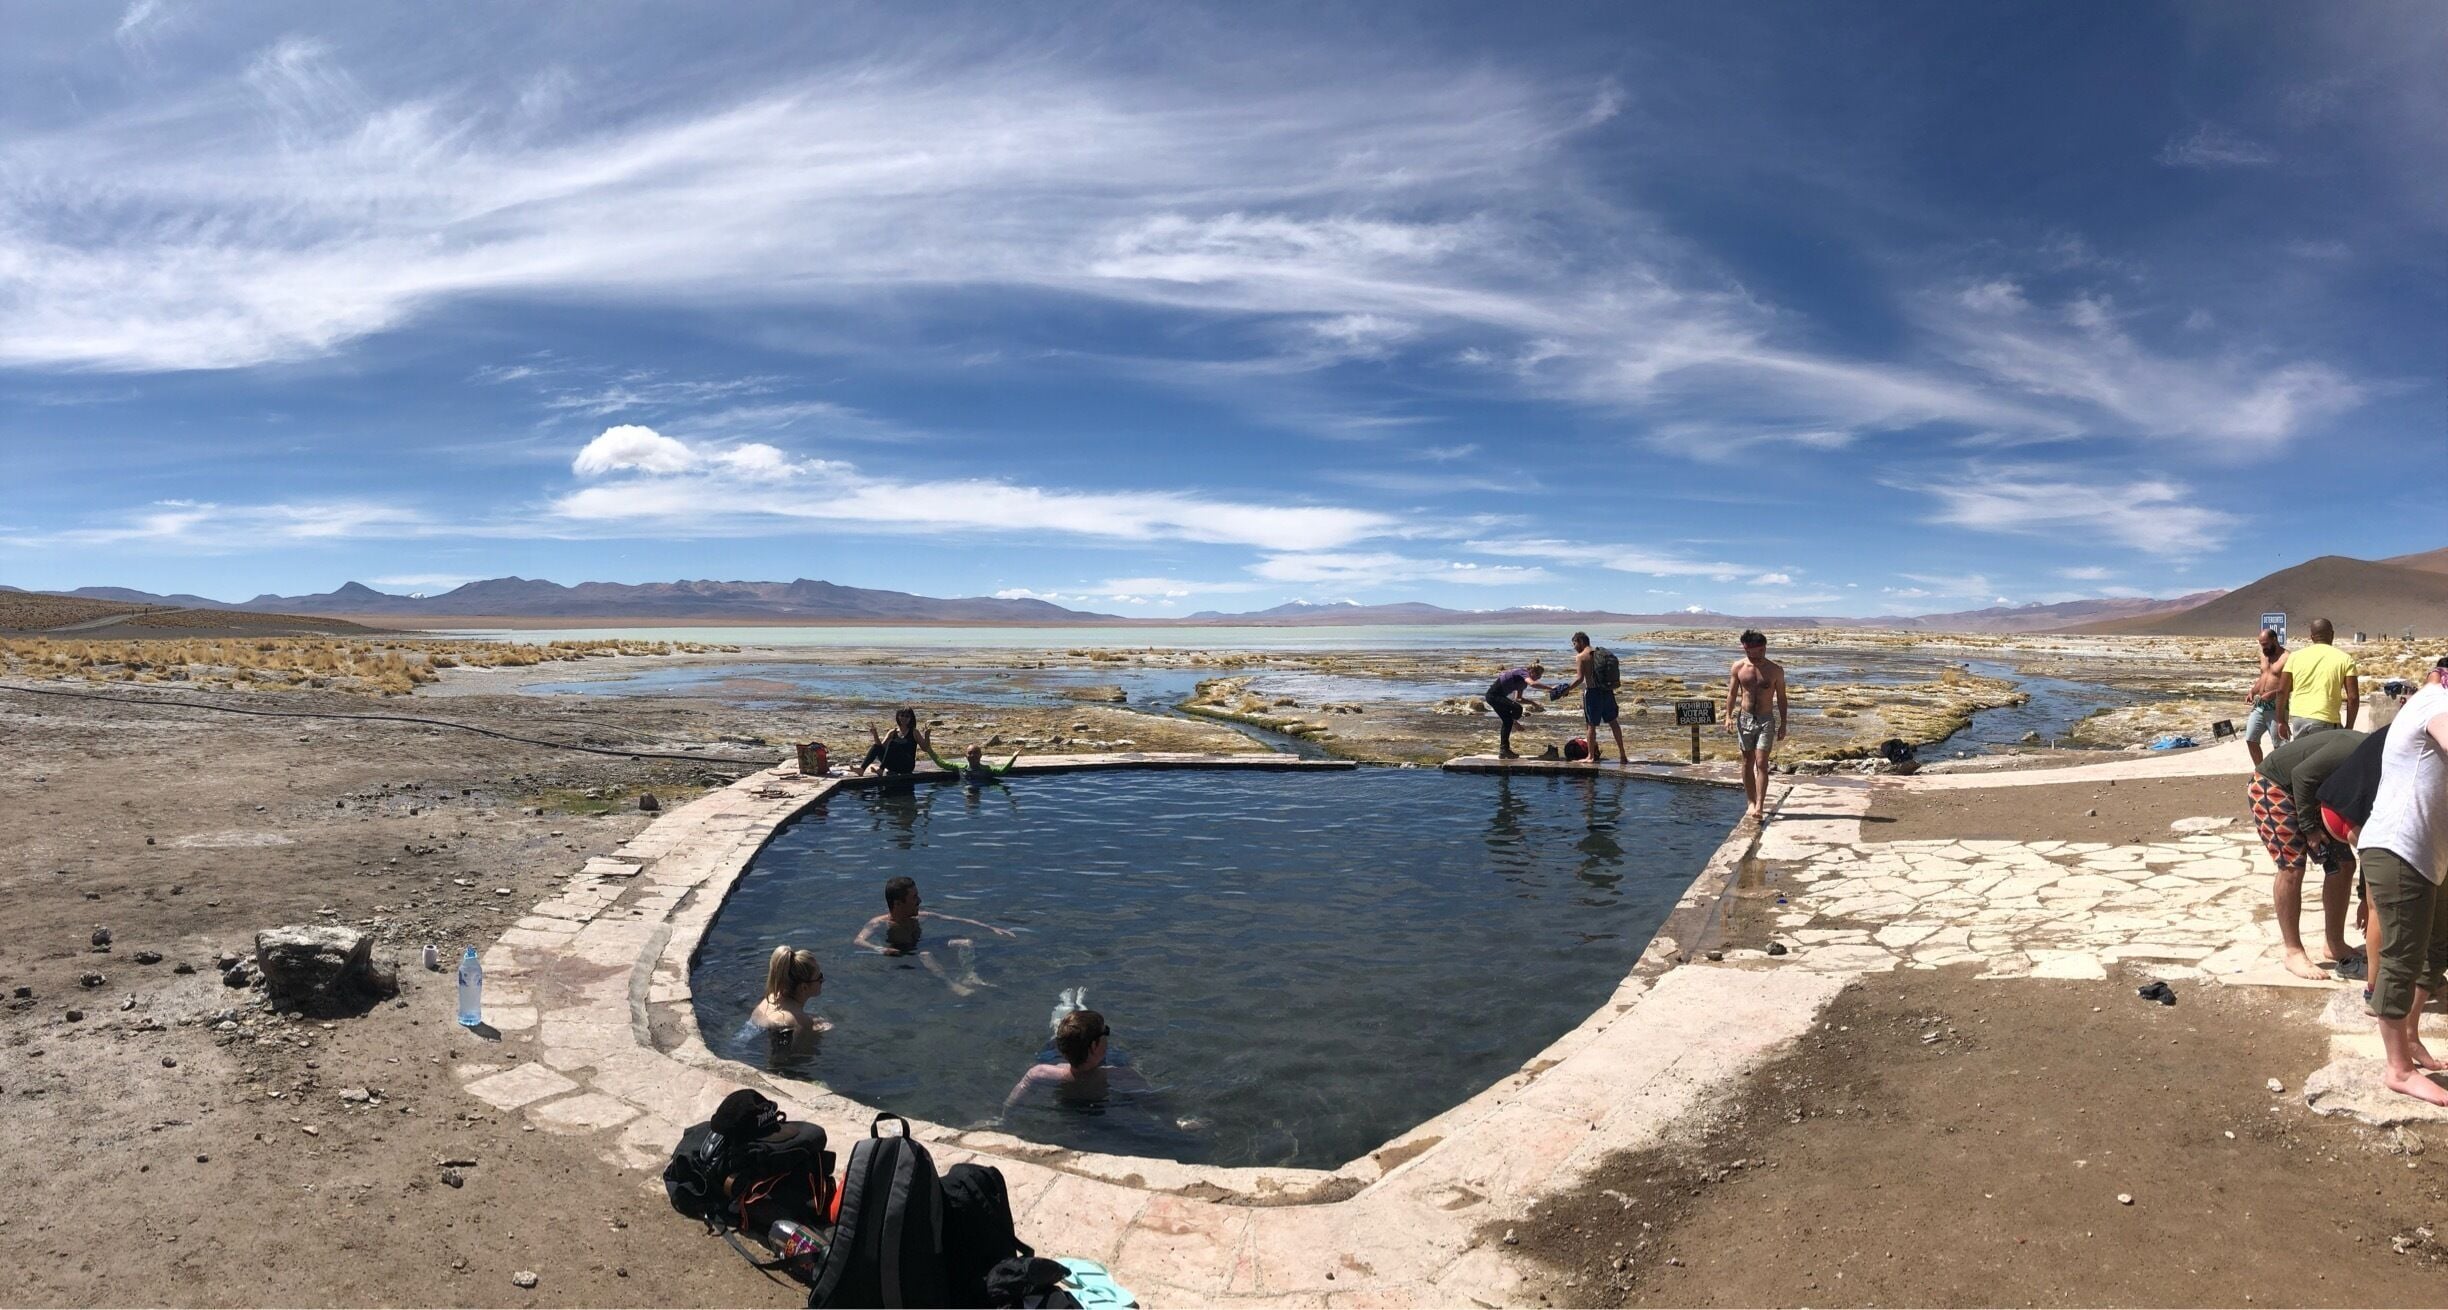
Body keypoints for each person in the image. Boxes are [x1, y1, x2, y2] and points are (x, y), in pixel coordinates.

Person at [2358, 656, 2448, 1107]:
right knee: (2402, 956)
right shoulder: (2435, 700)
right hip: (2399, 847)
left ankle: (2409, 1039)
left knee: (2435, 947)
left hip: (2428, 854)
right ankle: (2398, 1070)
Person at [2250, 729, 2365, 979]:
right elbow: (2301, 776)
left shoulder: (2383, 765)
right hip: (2274, 785)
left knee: (2344, 864)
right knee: (2292, 866)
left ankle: (2334, 943)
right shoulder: (2354, 748)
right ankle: (2293, 952)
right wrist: (2310, 829)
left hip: (2314, 794)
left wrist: (2365, 895)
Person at [852, 875, 1014, 996]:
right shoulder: (879, 923)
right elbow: (859, 941)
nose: (920, 901)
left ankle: (970, 976)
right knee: (926, 954)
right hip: (901, 954)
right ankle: (952, 985)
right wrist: (879, 949)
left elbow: (956, 919)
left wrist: (991, 927)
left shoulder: (919, 916)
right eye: (914, 898)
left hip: (920, 945)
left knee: (966, 943)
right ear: (898, 904)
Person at [1000, 1008, 1155, 1114]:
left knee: (1061, 1040)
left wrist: (1003, 1119)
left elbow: (1010, 1106)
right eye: (1105, 1032)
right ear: (1095, 1045)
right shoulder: (1124, 1075)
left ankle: (1061, 1024)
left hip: (1056, 1057)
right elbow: (1156, 1105)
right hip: (1075, 1056)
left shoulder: (1039, 1073)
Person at [1723, 630, 1788, 822]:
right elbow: (1732, 693)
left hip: (1766, 719)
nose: (1757, 654)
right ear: (1746, 648)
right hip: (1745, 719)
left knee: (1761, 762)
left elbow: (1782, 698)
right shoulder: (1738, 667)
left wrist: (1784, 723)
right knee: (1747, 761)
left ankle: (1760, 805)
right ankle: (1750, 802)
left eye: (1760, 650)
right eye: (1752, 651)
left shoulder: (1775, 670)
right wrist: (1727, 716)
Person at [1553, 632, 1627, 765]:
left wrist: (1565, 690)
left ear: (1580, 641)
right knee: (1613, 722)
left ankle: (1591, 756)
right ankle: (1623, 755)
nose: (1574, 647)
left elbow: (1579, 678)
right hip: (1607, 691)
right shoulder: (1600, 653)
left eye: (1575, 644)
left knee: (1591, 726)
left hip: (1593, 693)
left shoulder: (1581, 656)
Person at [2279, 619, 2360, 737]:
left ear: (2312, 637)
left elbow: (2281, 691)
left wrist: (2281, 721)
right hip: (2326, 719)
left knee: (2303, 755)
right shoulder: (2345, 659)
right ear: (2332, 635)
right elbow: (2353, 697)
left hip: (2299, 719)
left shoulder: (2295, 657)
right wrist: (2349, 726)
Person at [747, 946, 830, 1054]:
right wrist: (817, 1034)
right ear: (804, 988)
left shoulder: (771, 997)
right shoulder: (801, 1022)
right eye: (820, 977)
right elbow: (797, 1057)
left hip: (742, 1043)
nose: (823, 980)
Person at [1483, 662, 1549, 760]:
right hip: (1493, 695)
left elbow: (1518, 699)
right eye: (1538, 674)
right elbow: (1533, 684)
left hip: (1496, 697)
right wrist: (1551, 688)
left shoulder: (1523, 684)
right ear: (1531, 671)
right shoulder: (1522, 672)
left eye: (1540, 676)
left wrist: (1533, 703)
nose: (1539, 677)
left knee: (1507, 722)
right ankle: (1513, 722)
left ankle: (1504, 750)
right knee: (1517, 708)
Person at [2245, 629, 2291, 766]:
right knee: (2251, 739)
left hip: (2277, 706)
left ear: (2275, 640)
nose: (2263, 647)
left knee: (2280, 745)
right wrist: (2253, 691)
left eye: (2265, 644)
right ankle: (2261, 772)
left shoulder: (2287, 657)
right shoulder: (2264, 655)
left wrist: (2274, 693)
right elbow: (2263, 677)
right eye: (2261, 644)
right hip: (2260, 705)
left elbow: (2293, 685)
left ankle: (2281, 775)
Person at [856, 707, 928, 776]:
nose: (904, 718)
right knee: (876, 746)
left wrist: (927, 736)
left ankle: (881, 769)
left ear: (911, 718)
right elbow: (880, 747)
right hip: (893, 765)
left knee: (892, 743)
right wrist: (875, 734)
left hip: (907, 766)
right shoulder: (892, 732)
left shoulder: (914, 732)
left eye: (907, 716)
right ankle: (862, 769)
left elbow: (925, 749)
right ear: (898, 716)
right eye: (902, 715)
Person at [928, 739, 1021, 785]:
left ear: (981, 755)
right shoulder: (960, 767)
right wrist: (929, 750)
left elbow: (1002, 771)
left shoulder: (987, 769)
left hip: (982, 786)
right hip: (965, 787)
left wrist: (1013, 758)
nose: (973, 755)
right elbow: (941, 763)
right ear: (966, 756)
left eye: (976, 753)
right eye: (970, 753)